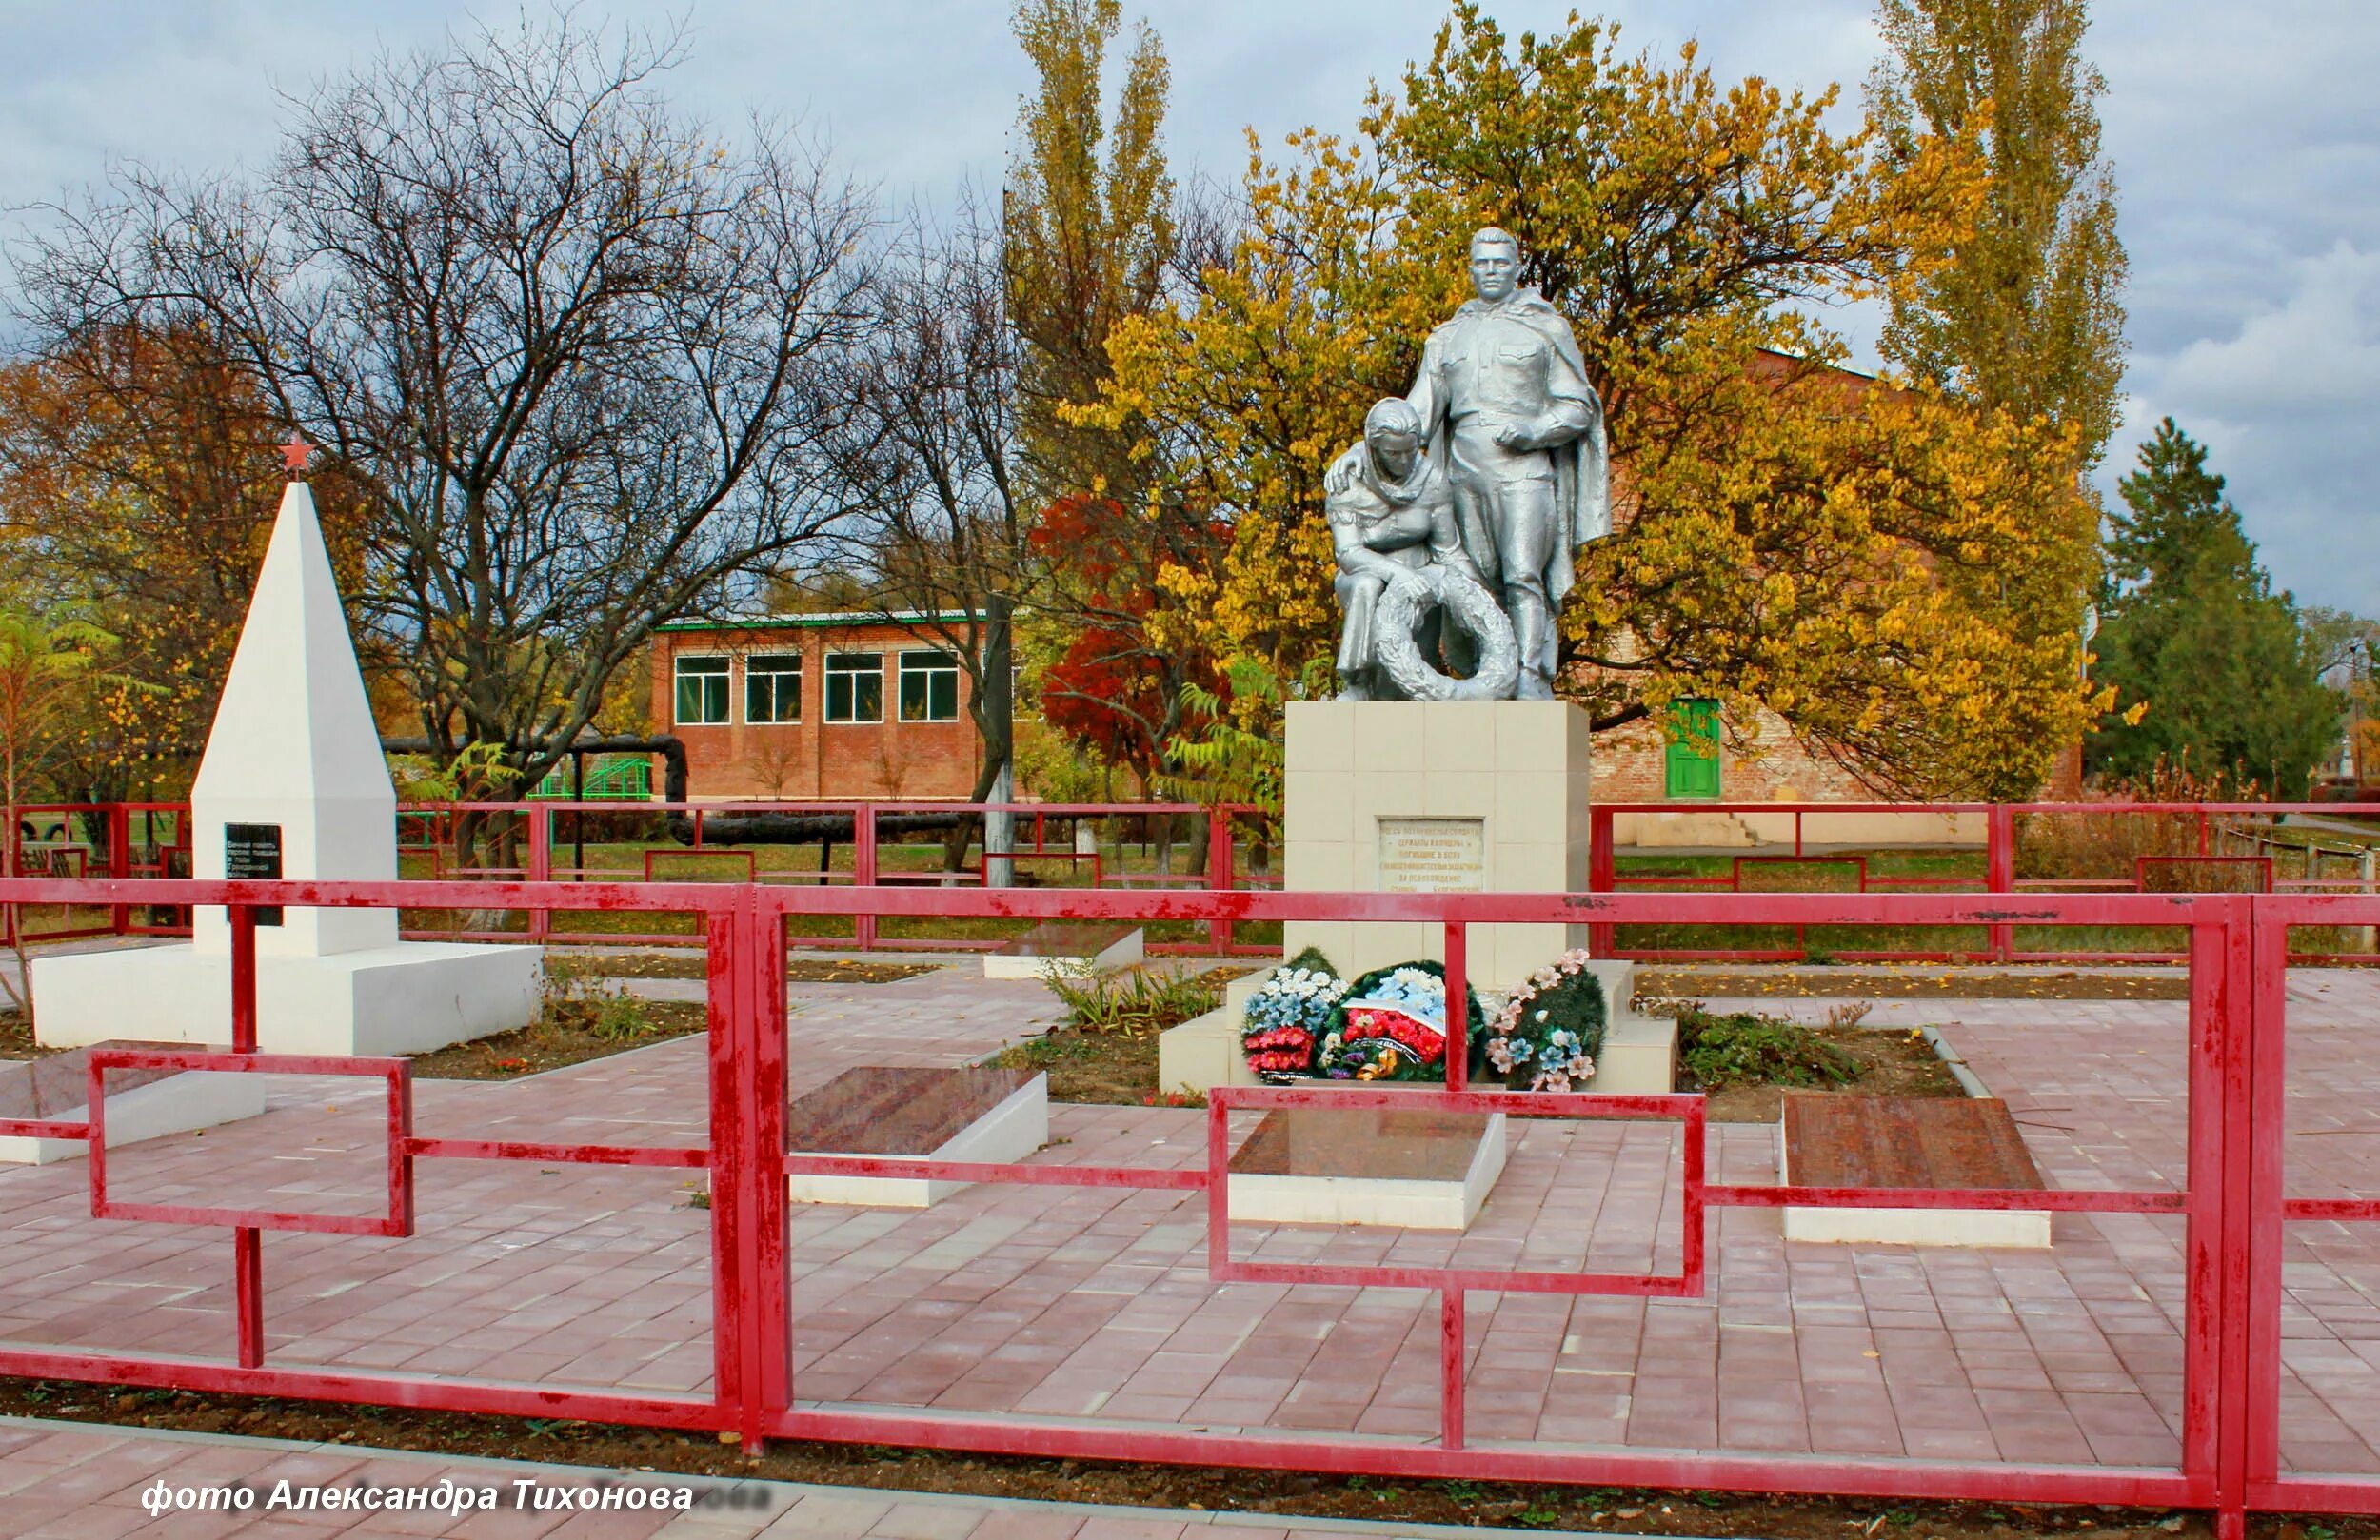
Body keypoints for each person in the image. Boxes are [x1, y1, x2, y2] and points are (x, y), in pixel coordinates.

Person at [1355, 227, 1610, 699]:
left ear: (1517, 268)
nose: (1491, 271)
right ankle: (1482, 680)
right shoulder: (1447, 338)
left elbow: (1579, 406)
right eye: (1482, 263)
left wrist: (1535, 431)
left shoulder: (1544, 328)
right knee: (1470, 582)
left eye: (1500, 263)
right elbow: (1418, 411)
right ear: (1470, 269)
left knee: (1522, 576)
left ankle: (1531, 677)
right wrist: (1359, 452)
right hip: (1461, 476)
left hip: (1524, 473)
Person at [1325, 399, 1476, 701]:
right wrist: (1399, 574)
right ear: (1373, 447)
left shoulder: (1432, 480)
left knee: (1443, 582)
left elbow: (1448, 549)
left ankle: (1455, 668)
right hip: (1363, 573)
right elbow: (1348, 553)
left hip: (1420, 573)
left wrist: (1475, 589)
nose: (1404, 460)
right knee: (1368, 585)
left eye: (1410, 450)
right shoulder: (1347, 482)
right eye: (1393, 453)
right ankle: (1357, 682)